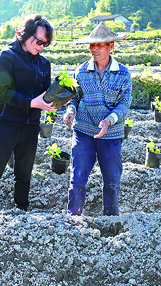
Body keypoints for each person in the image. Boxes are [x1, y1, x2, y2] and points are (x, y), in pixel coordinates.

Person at [0, 14, 55, 211]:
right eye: (38, 41)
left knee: (24, 173)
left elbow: (45, 94)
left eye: (45, 44)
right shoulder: (6, 57)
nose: (41, 46)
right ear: (26, 34)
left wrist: (55, 100)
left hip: (30, 127)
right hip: (6, 124)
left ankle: (22, 211)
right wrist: (31, 103)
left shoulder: (44, 64)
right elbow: (3, 94)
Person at [63, 22, 132, 216]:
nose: (94, 49)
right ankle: (73, 218)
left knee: (111, 180)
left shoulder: (123, 73)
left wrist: (109, 120)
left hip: (111, 134)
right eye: (92, 45)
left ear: (111, 46)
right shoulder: (81, 71)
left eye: (99, 45)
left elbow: (124, 104)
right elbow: (75, 97)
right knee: (77, 177)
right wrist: (70, 110)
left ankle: (110, 219)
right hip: (84, 131)